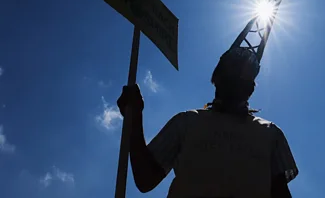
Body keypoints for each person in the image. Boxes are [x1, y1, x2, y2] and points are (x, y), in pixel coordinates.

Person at [117, 47, 299, 198]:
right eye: (231, 75)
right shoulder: (187, 123)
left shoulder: (271, 134)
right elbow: (145, 178)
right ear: (217, 80)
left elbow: (281, 193)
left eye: (242, 77)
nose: (235, 82)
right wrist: (134, 117)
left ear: (251, 87)